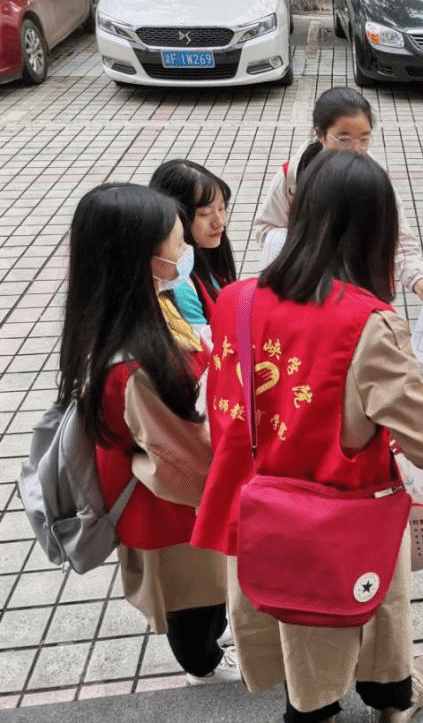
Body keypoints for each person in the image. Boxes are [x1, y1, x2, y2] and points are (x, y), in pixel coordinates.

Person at [192, 150, 423, 723]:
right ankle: (388, 700)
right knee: (370, 608)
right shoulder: (370, 323)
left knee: (294, 625)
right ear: (376, 232)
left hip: (260, 509)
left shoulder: (236, 299)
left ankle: (323, 705)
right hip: (343, 514)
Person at [57, 184, 236, 685]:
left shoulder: (130, 309)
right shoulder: (136, 365)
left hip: (168, 495)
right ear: (140, 259)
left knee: (201, 593)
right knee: (192, 601)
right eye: (178, 242)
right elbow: (185, 460)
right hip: (171, 508)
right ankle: (203, 666)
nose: (187, 251)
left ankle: (208, 645)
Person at [253, 86, 423, 299]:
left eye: (364, 139)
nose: (356, 149)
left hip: (362, 286)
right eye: (344, 139)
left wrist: (418, 280)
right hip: (308, 289)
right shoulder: (293, 177)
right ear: (320, 134)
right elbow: (266, 228)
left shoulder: (374, 179)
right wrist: (305, 249)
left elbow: (398, 236)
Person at [149, 159, 237, 333]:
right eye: (204, 214)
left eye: (221, 209)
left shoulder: (205, 260)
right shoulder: (179, 283)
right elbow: (202, 343)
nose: (219, 222)